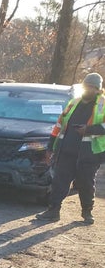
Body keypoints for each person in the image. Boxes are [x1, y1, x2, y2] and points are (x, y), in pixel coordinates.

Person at [36, 72, 105, 224]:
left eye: (92, 87)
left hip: (89, 154)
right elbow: (59, 126)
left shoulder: (103, 104)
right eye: (86, 86)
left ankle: (87, 212)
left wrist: (88, 129)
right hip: (66, 150)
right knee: (59, 181)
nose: (88, 89)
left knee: (85, 183)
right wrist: (50, 147)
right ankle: (53, 211)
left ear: (98, 90)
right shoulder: (73, 103)